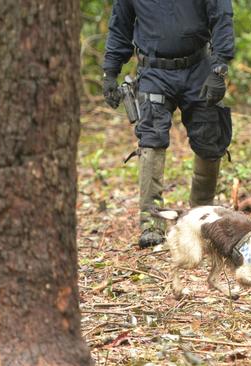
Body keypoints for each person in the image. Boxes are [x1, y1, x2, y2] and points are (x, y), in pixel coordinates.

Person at [101, 0, 235, 248]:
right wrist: (110, 71)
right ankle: (151, 222)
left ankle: (201, 217)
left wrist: (219, 68)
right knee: (151, 139)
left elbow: (221, 16)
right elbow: (120, 25)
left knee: (210, 139)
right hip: (154, 70)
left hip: (198, 67)